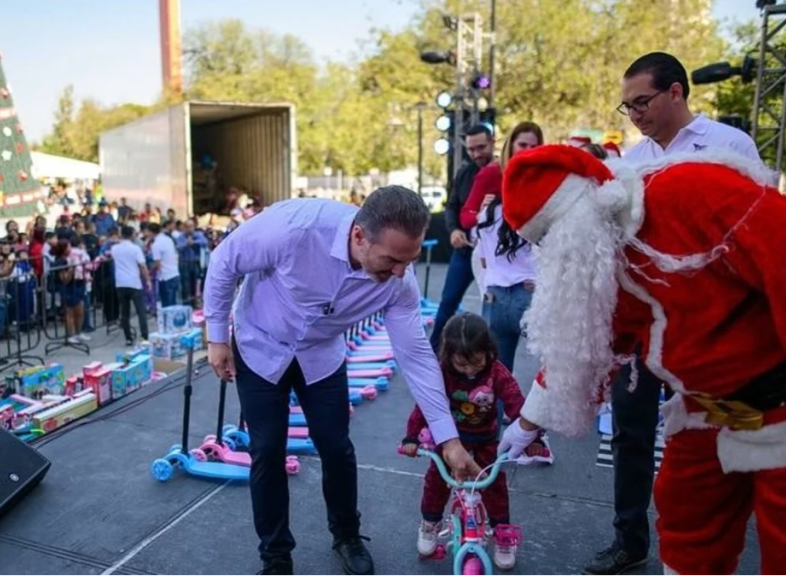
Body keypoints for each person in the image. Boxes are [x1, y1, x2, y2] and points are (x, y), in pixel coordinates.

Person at [495, 144, 786, 575]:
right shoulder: (603, 257)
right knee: (687, 529)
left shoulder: (692, 191)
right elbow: (592, 347)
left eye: (549, 240)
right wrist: (527, 424)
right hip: (703, 411)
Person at [204, 187, 483, 575]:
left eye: (411, 260)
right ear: (358, 238)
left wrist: (449, 440)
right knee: (267, 449)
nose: (401, 272)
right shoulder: (294, 227)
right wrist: (217, 336)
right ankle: (276, 556)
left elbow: (416, 356)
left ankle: (348, 535)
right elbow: (224, 261)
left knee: (336, 447)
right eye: (391, 260)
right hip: (261, 342)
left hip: (320, 354)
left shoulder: (400, 281)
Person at [582, 52, 764, 576]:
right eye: (627, 105)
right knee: (630, 432)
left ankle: (724, 537)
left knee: (726, 426)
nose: (634, 114)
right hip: (645, 329)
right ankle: (629, 540)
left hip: (713, 326)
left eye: (642, 102)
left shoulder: (730, 146)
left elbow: (755, 228)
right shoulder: (634, 163)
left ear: (677, 93)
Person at [401, 312, 530, 570]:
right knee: (436, 481)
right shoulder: (442, 373)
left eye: (476, 362)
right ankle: (430, 522)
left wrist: (532, 436)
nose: (470, 369)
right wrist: (412, 436)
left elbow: (515, 399)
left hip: (485, 440)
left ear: (488, 352)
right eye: (462, 364)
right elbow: (427, 404)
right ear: (448, 356)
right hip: (450, 439)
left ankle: (501, 532)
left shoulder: (496, 372)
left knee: (494, 484)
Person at [464, 122, 543, 374]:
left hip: (507, 291)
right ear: (511, 146)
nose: (527, 150)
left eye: (534, 146)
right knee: (503, 375)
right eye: (522, 145)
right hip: (511, 292)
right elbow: (467, 217)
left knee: (499, 374)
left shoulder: (544, 191)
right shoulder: (491, 178)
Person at [430, 124, 495, 351]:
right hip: (465, 250)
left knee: (492, 309)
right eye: (471, 149)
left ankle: (489, 361)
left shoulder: (504, 172)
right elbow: (452, 206)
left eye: (481, 147)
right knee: (448, 302)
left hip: (494, 255)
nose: (476, 154)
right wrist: (454, 230)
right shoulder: (464, 172)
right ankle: (434, 351)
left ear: (493, 142)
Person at [110, 226, 151, 347]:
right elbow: (143, 266)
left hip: (121, 283)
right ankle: (144, 336)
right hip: (134, 282)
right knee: (141, 311)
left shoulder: (115, 248)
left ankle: (128, 337)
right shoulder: (135, 248)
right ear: (132, 235)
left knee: (125, 312)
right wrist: (148, 280)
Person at [148, 222, 180, 307]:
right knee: (174, 304)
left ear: (151, 232)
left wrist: (149, 272)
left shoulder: (156, 245)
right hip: (174, 274)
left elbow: (157, 264)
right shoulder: (168, 239)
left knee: (167, 306)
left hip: (165, 277)